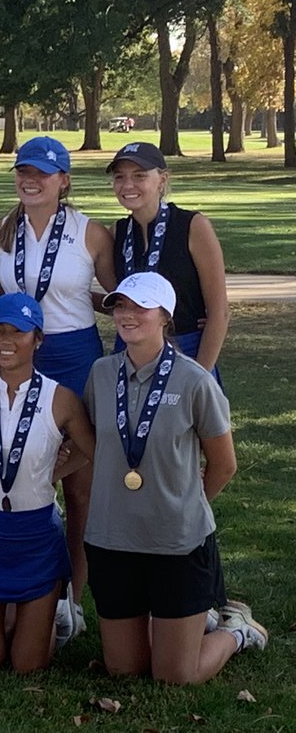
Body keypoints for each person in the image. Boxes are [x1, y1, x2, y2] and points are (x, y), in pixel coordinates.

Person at [80, 273, 266, 684]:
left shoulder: (194, 380)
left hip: (176, 543)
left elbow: (224, 464)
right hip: (113, 538)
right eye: (121, 306)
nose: (128, 315)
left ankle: (235, 631)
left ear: (165, 316)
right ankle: (185, 623)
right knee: (125, 670)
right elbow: (97, 443)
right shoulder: (101, 374)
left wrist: (187, 504)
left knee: (174, 676)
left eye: (140, 307)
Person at [0, 135, 116, 634]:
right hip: (16, 353)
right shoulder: (1, 231)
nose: (31, 179)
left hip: (73, 352)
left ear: (64, 180)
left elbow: (112, 296)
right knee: (15, 471)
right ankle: (22, 588)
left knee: (78, 483)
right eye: (23, 170)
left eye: (43, 172)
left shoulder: (91, 234)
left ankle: (71, 602)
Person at [0, 293, 95, 673]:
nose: (6, 340)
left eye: (19, 331)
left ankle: (54, 616)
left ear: (38, 339)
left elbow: (94, 451)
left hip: (35, 536)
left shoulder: (61, 398)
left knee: (29, 665)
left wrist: (53, 473)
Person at [106, 142, 228, 381]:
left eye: (139, 176)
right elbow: (118, 302)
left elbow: (219, 313)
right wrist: (75, 296)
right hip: (132, 354)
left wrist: (199, 379)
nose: (127, 185)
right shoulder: (116, 233)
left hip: (186, 349)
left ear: (162, 180)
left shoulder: (192, 226)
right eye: (120, 177)